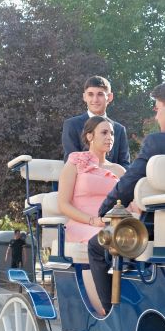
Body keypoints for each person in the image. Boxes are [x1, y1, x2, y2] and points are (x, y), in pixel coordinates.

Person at [87, 78, 165, 313]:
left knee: (95, 246)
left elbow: (127, 183)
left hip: (157, 225)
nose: (156, 117)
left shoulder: (159, 142)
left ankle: (110, 313)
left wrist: (104, 210)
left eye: (157, 109)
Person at [58, 115, 121, 314]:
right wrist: (93, 221)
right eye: (104, 132)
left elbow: (132, 201)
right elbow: (63, 204)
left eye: (112, 133)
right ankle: (107, 305)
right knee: (101, 240)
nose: (109, 137)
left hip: (111, 223)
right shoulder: (76, 162)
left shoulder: (118, 170)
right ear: (89, 136)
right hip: (82, 223)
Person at [62, 75, 130, 167]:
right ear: (84, 97)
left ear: (109, 97)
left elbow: (125, 164)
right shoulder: (72, 125)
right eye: (90, 94)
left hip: (113, 179)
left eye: (100, 94)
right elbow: (72, 162)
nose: (95, 99)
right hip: (82, 179)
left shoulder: (119, 129)